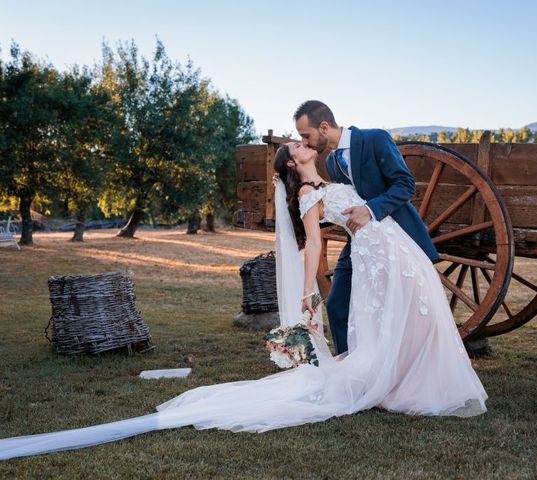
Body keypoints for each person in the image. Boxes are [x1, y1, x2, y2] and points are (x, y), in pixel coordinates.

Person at [0, 128, 487, 464]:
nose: (303, 143)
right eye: (298, 145)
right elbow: (314, 243)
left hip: (391, 249)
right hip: (375, 256)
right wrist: (306, 295)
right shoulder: (309, 195)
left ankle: (406, 379)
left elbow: (377, 192)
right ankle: (397, 384)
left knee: (414, 318)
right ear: (295, 164)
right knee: (389, 322)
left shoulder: (332, 176)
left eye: (302, 139)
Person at [293, 100, 439, 354]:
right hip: (359, 243)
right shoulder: (331, 162)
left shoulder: (375, 140)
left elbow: (405, 185)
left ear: (324, 127)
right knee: (337, 305)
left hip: (395, 237)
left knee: (406, 307)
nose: (305, 142)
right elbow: (342, 204)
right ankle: (350, 372)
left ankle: (402, 365)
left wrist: (370, 210)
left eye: (306, 136)